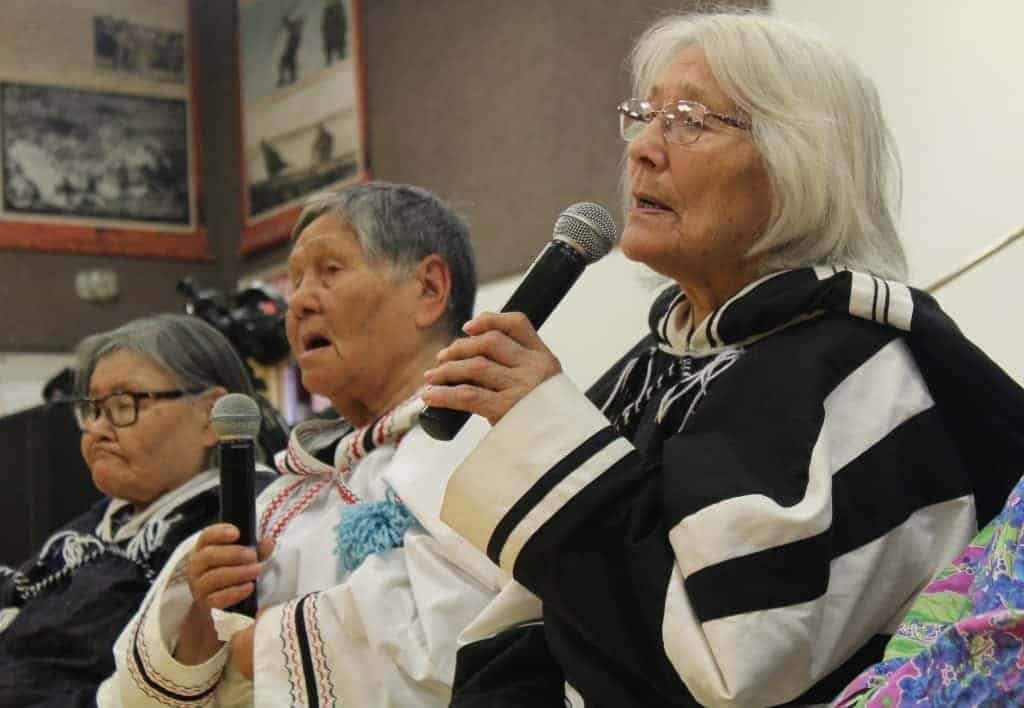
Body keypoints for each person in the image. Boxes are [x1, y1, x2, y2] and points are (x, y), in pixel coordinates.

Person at [422, 10, 1024, 706]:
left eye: (690, 120)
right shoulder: (647, 369)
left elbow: (737, 662)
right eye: (644, 116)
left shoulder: (863, 366)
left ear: (799, 159)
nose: (644, 148)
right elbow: (526, 629)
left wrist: (547, 434)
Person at [102, 182, 505, 706]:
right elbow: (124, 697)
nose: (300, 303)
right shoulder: (284, 490)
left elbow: (461, 648)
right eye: (295, 281)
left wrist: (258, 648)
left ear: (429, 289)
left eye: (330, 271)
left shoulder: (486, 447)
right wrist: (199, 621)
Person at [0, 314, 268, 707]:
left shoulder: (243, 519)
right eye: (92, 409)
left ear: (212, 415)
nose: (97, 429)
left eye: (124, 405)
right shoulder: (109, 518)